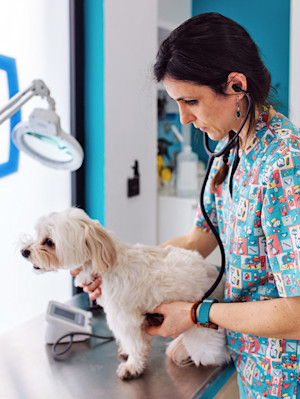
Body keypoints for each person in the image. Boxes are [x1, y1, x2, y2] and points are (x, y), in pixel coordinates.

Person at [72, 13, 300, 399]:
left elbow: (297, 314)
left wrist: (196, 313)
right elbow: (200, 237)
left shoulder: (285, 166)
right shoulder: (230, 151)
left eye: (191, 101)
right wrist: (121, 269)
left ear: (236, 85)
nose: (184, 117)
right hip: (253, 365)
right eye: (176, 102)